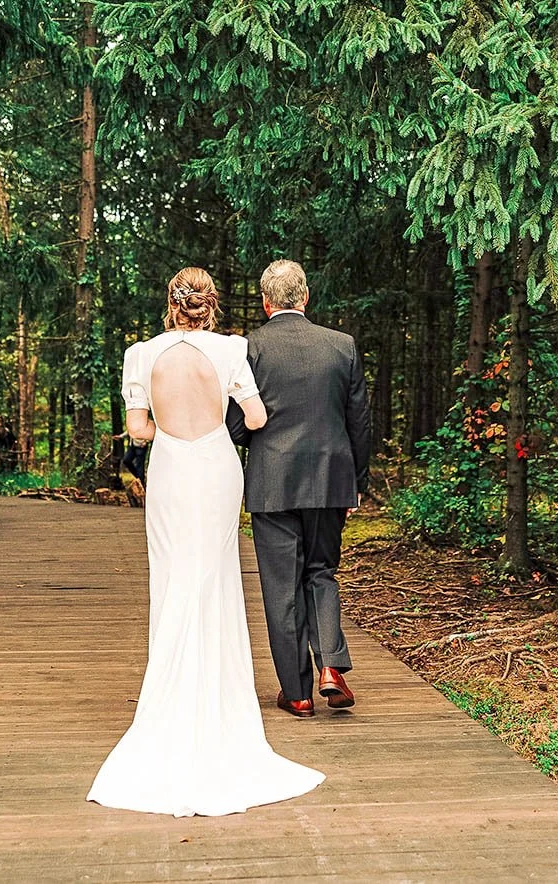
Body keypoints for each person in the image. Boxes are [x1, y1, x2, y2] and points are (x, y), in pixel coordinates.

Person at [87, 266, 322, 817]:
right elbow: (257, 416)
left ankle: (170, 697)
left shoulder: (140, 355)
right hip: (217, 466)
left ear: (171, 304)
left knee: (174, 576)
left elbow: (140, 431)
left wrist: (169, 423)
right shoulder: (231, 349)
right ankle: (217, 701)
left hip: (170, 466)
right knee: (213, 577)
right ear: (210, 305)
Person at [226, 259, 371, 718]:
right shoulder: (342, 346)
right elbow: (359, 423)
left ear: (266, 302)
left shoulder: (250, 349)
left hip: (272, 483)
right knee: (322, 571)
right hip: (331, 480)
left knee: (281, 587)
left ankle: (298, 693)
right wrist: (357, 484)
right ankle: (331, 667)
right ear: (305, 298)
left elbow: (237, 427)